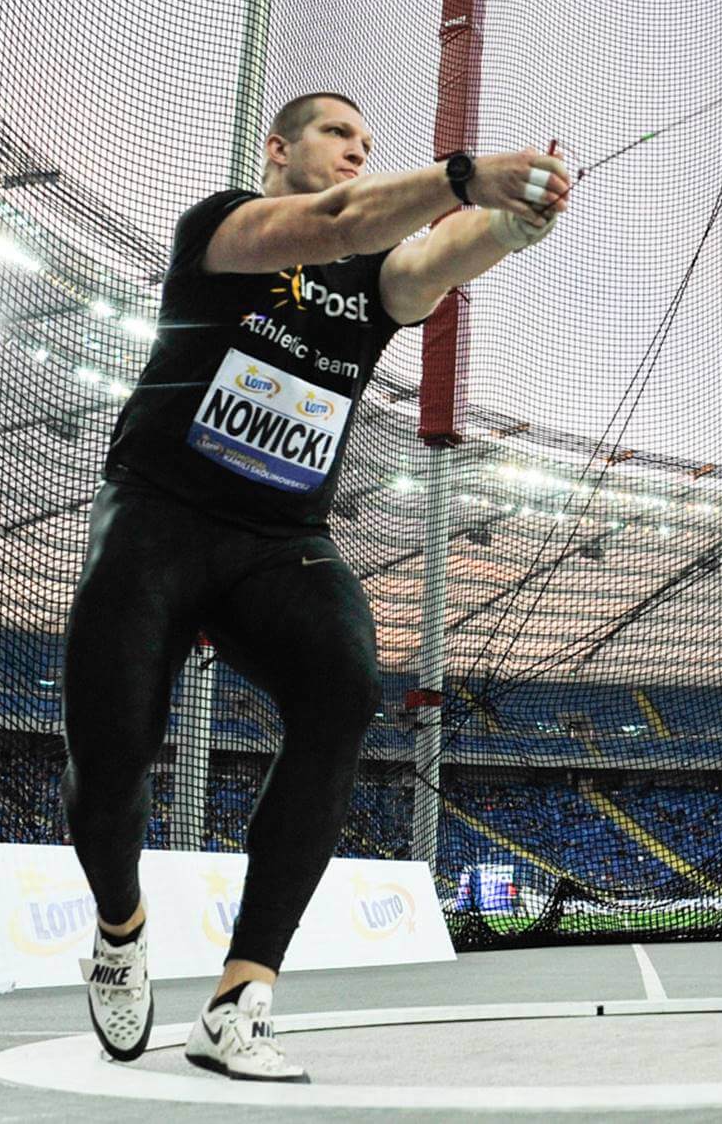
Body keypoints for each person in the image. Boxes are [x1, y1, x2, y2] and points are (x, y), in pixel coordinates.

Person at [61, 93, 571, 1080]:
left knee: (343, 686)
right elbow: (337, 221)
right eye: (341, 135)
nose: (356, 150)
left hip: (278, 544)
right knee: (111, 766)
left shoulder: (376, 280)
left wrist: (510, 222)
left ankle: (239, 1000)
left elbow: (428, 259)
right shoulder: (222, 227)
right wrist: (467, 177)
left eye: (370, 144)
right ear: (280, 148)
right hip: (157, 522)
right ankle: (120, 928)